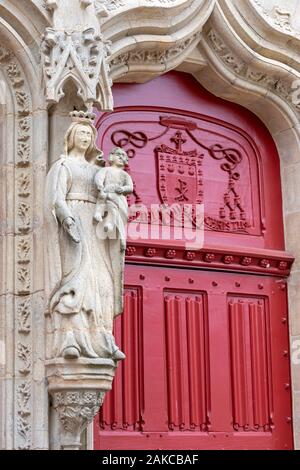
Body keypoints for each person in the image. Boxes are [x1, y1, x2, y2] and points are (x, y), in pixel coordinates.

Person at [44, 111, 126, 361]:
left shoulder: (98, 169)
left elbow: (111, 192)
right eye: (80, 132)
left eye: (89, 134)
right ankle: (69, 338)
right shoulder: (63, 165)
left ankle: (101, 338)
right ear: (70, 136)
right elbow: (57, 198)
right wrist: (67, 218)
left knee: (100, 281)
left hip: (97, 225)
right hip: (74, 224)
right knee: (75, 280)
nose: (85, 137)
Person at [93, 147, 133, 251]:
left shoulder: (125, 175)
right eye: (118, 155)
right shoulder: (106, 170)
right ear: (111, 157)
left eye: (123, 156)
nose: (120, 157)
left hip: (118, 197)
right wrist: (100, 186)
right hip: (106, 192)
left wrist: (123, 188)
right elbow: (99, 178)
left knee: (114, 210)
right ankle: (98, 213)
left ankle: (110, 224)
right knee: (103, 199)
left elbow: (130, 187)